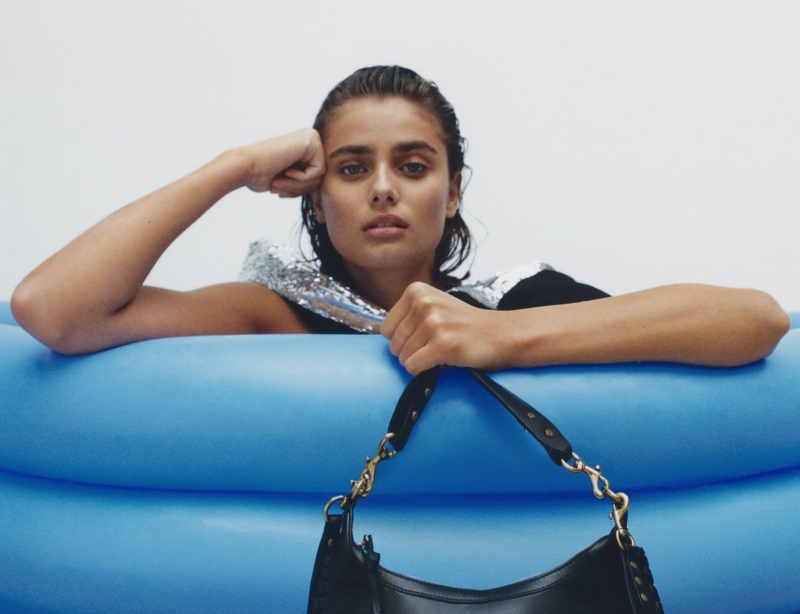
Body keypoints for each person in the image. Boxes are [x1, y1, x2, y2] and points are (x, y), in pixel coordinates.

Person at [11, 65, 789, 373]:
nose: (383, 188)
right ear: (318, 198)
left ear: (451, 193)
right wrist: (233, 167)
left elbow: (754, 320)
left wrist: (498, 337)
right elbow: (53, 312)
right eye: (352, 169)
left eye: (413, 167)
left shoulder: (509, 300)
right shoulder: (274, 313)